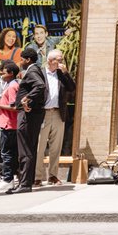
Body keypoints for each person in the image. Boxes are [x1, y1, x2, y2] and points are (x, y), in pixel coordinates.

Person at [34, 49, 76, 186]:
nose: (61, 62)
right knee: (39, 146)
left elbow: (72, 88)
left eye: (62, 60)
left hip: (58, 113)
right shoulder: (40, 73)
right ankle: (37, 176)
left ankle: (53, 175)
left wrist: (66, 73)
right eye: (59, 60)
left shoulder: (61, 74)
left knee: (55, 147)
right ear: (50, 61)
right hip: (43, 114)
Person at [8, 47, 46, 194]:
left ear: (28, 59)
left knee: (25, 149)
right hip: (32, 114)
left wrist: (27, 100)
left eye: (22, 59)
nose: (20, 62)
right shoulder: (36, 70)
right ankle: (25, 182)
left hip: (28, 115)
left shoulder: (33, 71)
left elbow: (40, 86)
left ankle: (24, 184)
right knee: (29, 148)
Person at [0, 61, 20, 190]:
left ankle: (7, 178)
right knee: (9, 153)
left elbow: (14, 107)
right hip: (7, 123)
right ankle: (11, 179)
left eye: (5, 71)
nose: (1, 72)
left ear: (11, 73)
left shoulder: (13, 86)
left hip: (9, 124)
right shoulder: (10, 85)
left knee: (7, 153)